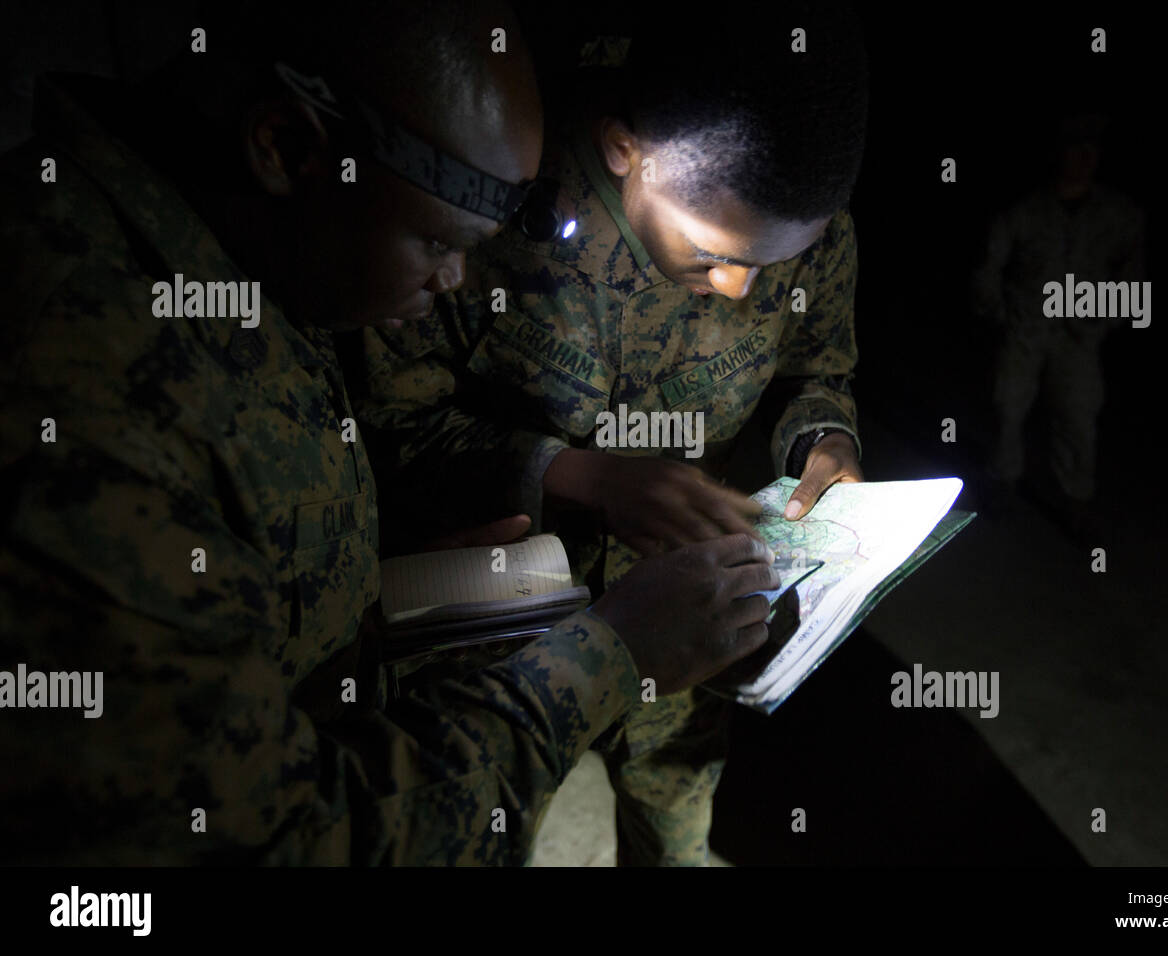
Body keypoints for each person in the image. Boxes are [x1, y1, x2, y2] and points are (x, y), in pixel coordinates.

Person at [0, 0, 778, 866]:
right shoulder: (82, 397)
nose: (456, 281)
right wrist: (608, 656)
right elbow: (291, 843)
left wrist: (386, 612)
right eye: (438, 241)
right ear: (289, 149)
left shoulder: (232, 259)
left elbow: (235, 593)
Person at [348, 5, 870, 865]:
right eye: (711, 253)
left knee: (673, 828)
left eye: (770, 265)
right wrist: (574, 476)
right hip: (492, 630)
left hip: (686, 609)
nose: (740, 287)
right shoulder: (488, 191)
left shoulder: (800, 215)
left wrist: (823, 439)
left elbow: (817, 368)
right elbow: (383, 427)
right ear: (626, 150)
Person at [973, 112, 1146, 537]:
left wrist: (1107, 319)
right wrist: (997, 310)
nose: (1084, 157)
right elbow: (990, 263)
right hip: (1027, 325)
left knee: (1078, 414)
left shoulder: (1118, 214)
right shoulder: (1027, 208)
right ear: (1060, 152)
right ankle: (1003, 481)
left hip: (1080, 333)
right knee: (1008, 404)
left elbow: (1134, 274)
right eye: (1075, 146)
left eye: (1092, 148)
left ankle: (1076, 499)